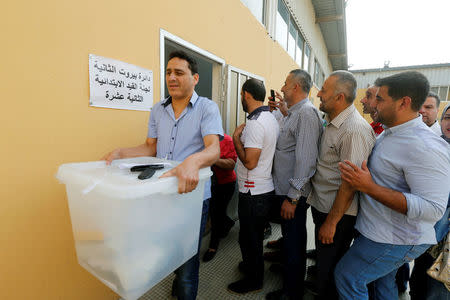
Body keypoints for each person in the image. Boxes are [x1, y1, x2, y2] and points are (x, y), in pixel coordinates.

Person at [102, 50, 223, 300]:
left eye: (179, 72)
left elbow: (214, 148)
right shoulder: (158, 109)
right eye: (168, 72)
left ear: (195, 78)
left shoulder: (207, 108)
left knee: (188, 265)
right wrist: (120, 152)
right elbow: (150, 147)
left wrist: (193, 161)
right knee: (167, 254)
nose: (172, 77)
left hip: (192, 197)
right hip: (162, 193)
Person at [335, 71, 450, 299]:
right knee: (381, 284)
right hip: (378, 231)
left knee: (348, 277)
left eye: (380, 99)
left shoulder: (425, 146)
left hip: (395, 239)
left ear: (403, 103)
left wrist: (369, 187)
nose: (373, 103)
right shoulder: (390, 133)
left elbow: (432, 208)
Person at [306, 71, 376, 300]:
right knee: (325, 265)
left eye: (324, 90)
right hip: (324, 208)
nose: (319, 94)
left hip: (337, 215)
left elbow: (350, 184)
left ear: (340, 97)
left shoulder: (353, 130)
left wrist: (331, 223)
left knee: (330, 272)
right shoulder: (334, 122)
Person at [264, 69, 323, 300]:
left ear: (296, 87)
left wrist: (292, 197)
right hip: (286, 190)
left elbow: (306, 160)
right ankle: (290, 273)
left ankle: (292, 292)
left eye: (286, 83)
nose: (283, 87)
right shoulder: (293, 113)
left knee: (294, 243)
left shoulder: (306, 114)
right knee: (290, 240)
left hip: (293, 196)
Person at [227, 78, 279, 294]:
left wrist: (236, 139)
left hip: (253, 192)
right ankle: (251, 266)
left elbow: (250, 162)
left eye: (240, 95)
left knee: (250, 239)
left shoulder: (256, 123)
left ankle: (254, 280)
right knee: (251, 237)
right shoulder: (270, 116)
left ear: (245, 94)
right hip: (260, 189)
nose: (241, 98)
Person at [409, 103, 450, 300]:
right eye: (448, 117)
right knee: (418, 280)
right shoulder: (433, 145)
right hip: (426, 232)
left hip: (446, 242)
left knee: (437, 290)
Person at [203, 134, 237, 262]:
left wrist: (213, 159)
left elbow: (231, 164)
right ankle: (228, 223)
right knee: (215, 212)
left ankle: (213, 246)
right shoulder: (198, 140)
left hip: (225, 184)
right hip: (207, 184)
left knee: (216, 214)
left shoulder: (226, 140)